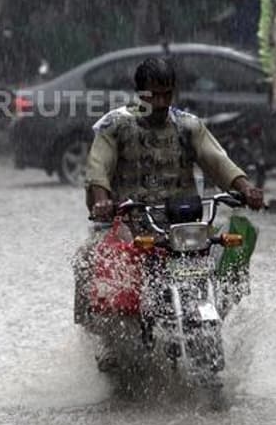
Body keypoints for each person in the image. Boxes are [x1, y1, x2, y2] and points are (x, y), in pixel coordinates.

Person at [77, 56, 265, 372]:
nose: (161, 102)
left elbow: (217, 159)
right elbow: (99, 167)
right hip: (131, 223)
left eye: (167, 94)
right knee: (89, 259)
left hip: (184, 224)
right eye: (154, 95)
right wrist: (101, 200)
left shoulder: (188, 125)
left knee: (235, 240)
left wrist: (246, 188)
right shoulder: (115, 126)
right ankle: (105, 341)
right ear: (140, 94)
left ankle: (217, 309)